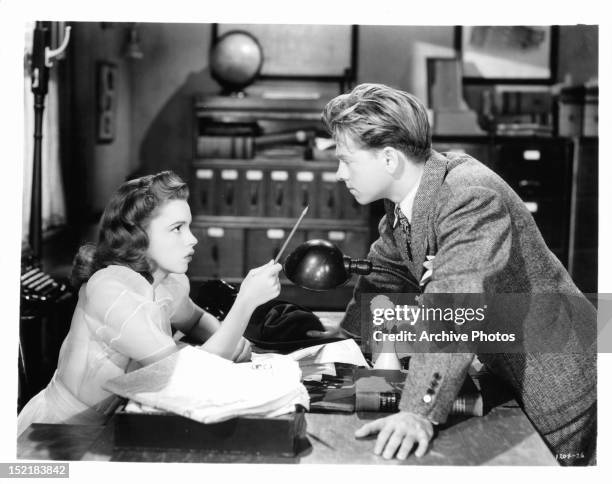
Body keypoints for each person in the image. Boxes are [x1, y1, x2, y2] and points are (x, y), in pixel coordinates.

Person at [310, 83, 597, 465]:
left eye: (347, 160)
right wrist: (343, 345)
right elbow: (385, 274)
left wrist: (418, 410)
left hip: (562, 390)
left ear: (390, 159)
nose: (339, 173)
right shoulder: (409, 200)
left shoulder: (469, 196)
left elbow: (456, 301)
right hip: (510, 374)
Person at [17, 171, 282, 436]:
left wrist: (226, 336)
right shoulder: (111, 291)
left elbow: (195, 319)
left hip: (114, 427)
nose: (193, 239)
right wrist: (245, 303)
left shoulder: (167, 282)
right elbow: (188, 378)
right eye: (177, 228)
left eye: (189, 226)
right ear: (138, 237)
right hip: (59, 433)